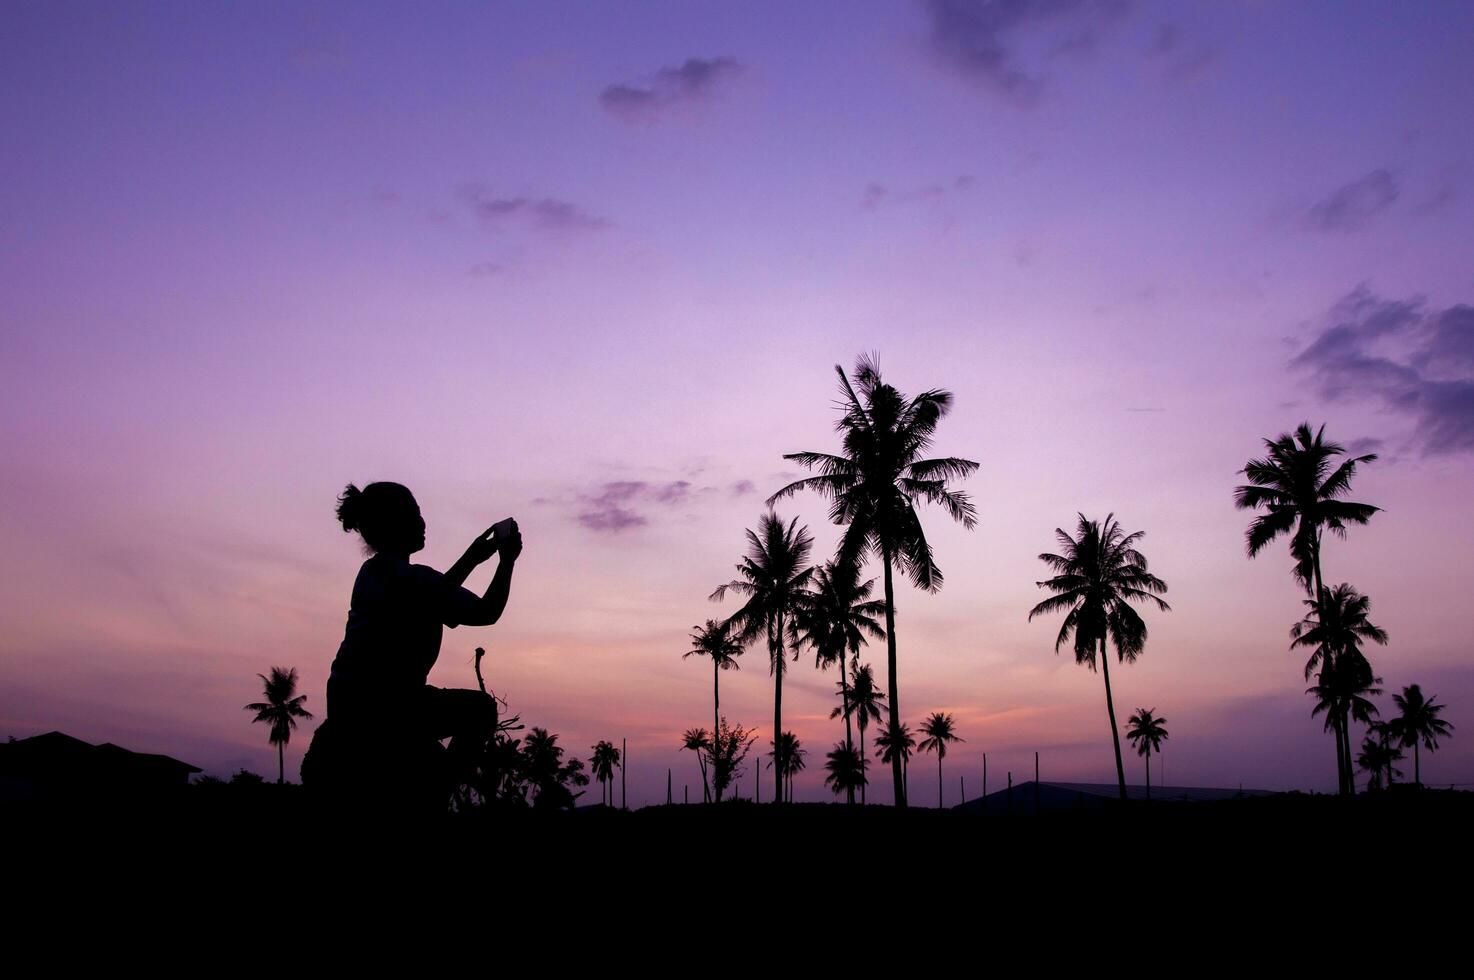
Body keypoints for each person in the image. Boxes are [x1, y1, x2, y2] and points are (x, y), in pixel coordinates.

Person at [306, 480, 522, 798]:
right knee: (478, 711)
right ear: (390, 524)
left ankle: (435, 788)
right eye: (412, 513)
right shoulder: (379, 574)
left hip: (391, 702)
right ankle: (438, 791)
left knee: (476, 713)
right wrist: (479, 559)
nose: (422, 522)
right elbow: (430, 598)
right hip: (373, 705)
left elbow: (485, 612)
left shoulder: (416, 578)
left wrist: (504, 562)